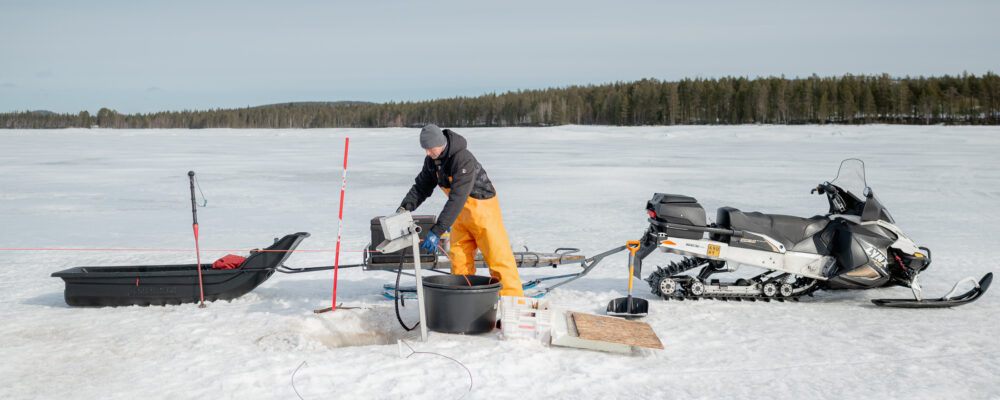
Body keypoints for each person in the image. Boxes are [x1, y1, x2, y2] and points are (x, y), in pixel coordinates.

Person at [397, 124, 524, 297]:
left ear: (440, 143)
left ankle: (513, 300)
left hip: (484, 212)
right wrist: (404, 208)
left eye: (430, 148)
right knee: (459, 260)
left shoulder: (463, 159)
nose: (427, 152)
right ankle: (463, 300)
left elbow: (458, 197)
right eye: (425, 149)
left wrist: (437, 231)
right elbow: (421, 187)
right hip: (460, 215)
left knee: (498, 258)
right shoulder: (432, 161)